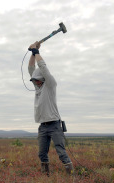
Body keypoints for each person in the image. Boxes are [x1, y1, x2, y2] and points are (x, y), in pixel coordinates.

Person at [28, 41, 74, 175]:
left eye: (37, 79)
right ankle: (45, 177)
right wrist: (32, 52)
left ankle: (70, 177)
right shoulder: (38, 87)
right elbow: (31, 69)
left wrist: (37, 52)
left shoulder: (50, 84)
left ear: (42, 78)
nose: (35, 81)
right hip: (43, 126)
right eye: (34, 80)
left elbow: (42, 67)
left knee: (61, 151)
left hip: (54, 125)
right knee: (42, 153)